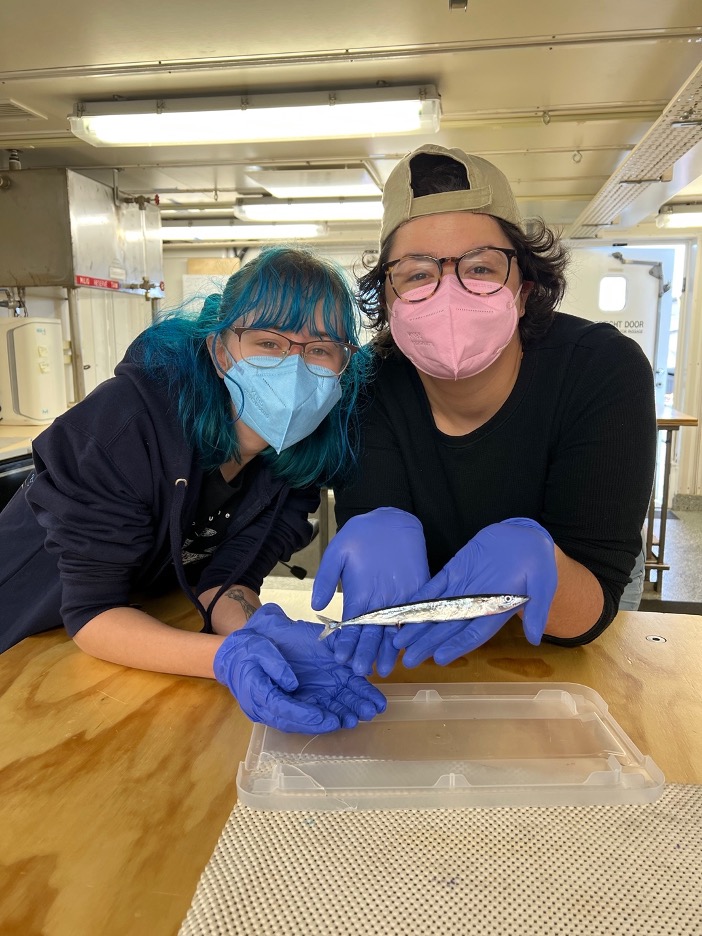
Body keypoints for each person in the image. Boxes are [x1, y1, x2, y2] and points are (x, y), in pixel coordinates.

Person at [0, 245, 386, 734]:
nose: (294, 364)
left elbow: (226, 580)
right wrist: (227, 656)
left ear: (343, 366)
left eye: (319, 348)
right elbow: (93, 607)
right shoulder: (127, 423)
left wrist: (263, 634)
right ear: (221, 350)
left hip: (110, 650)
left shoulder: (301, 459)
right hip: (22, 636)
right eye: (269, 341)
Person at [311, 143, 657, 677]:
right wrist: (374, 521)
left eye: (480, 267)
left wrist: (542, 563)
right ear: (388, 299)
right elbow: (401, 609)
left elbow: (591, 609)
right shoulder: (370, 387)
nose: (450, 292)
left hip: (564, 646)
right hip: (433, 642)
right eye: (418, 273)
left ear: (523, 291)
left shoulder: (601, 370)